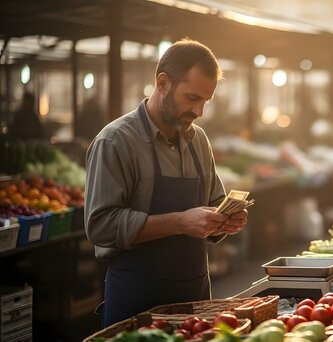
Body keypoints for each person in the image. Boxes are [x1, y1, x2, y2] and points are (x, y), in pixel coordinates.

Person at [84, 39, 248, 326]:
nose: (199, 112)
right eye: (192, 98)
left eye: (206, 101)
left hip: (195, 300)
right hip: (137, 303)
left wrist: (224, 220)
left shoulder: (199, 140)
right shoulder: (115, 142)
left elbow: (212, 201)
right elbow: (101, 225)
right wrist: (180, 222)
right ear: (162, 83)